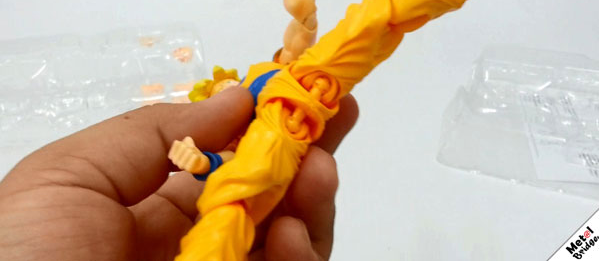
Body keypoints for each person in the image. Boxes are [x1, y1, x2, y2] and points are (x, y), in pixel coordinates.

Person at [0, 86, 358, 261]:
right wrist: (200, 162)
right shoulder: (241, 151)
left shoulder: (268, 114)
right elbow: (221, 166)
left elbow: (303, 28)